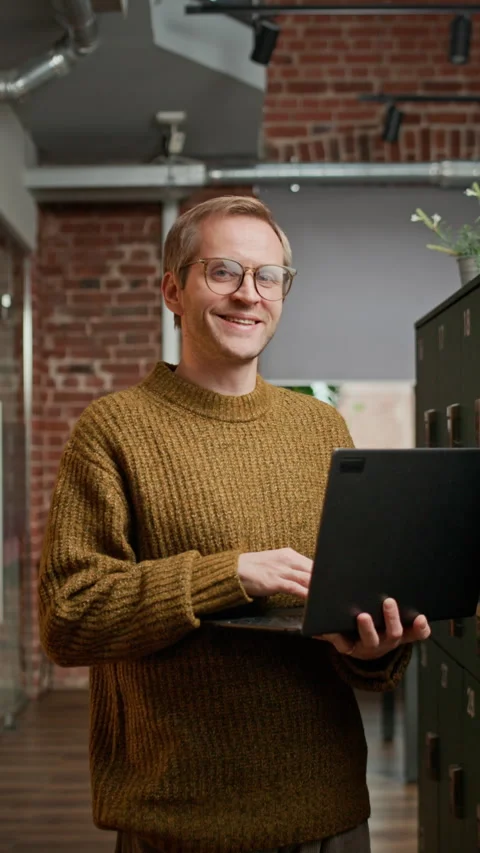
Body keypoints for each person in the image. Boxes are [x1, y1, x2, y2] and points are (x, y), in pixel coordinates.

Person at [38, 195, 431, 853]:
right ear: (173, 289)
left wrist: (375, 650)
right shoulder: (112, 430)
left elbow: (342, 606)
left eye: (267, 276)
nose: (248, 294)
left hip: (327, 809)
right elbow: (69, 617)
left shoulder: (320, 428)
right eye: (223, 271)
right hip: (177, 819)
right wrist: (229, 573)